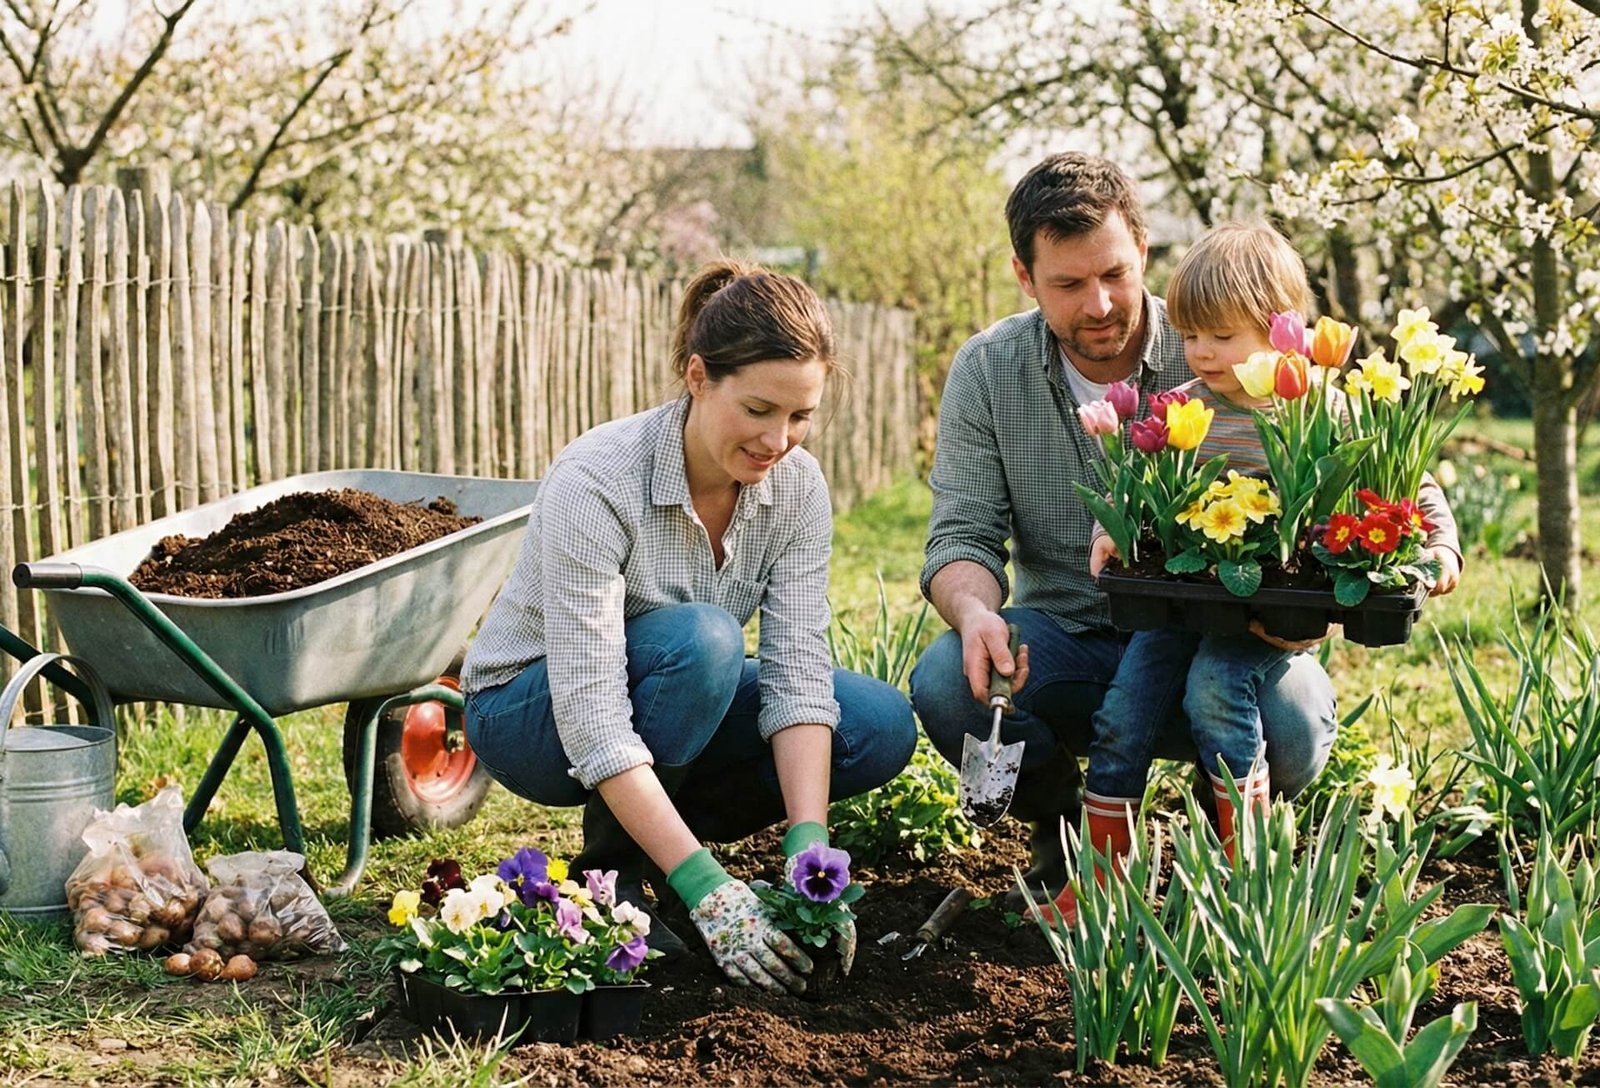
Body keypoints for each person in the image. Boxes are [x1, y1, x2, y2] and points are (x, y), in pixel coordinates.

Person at [908, 154, 1463, 913]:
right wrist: (975, 614)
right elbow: (962, 534)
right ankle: (1071, 841)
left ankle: (1230, 851)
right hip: (1072, 633)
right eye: (1068, 285)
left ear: (1143, 248)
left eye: (1114, 273)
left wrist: (1306, 610)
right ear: (1024, 276)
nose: (1099, 304)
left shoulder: (1228, 335)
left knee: (1289, 724)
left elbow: (1378, 473)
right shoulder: (988, 370)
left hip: (1232, 634)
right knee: (947, 681)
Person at [461, 259, 917, 995]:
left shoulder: (797, 488)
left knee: (877, 723)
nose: (779, 440)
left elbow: (798, 671)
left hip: (671, 693)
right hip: (531, 710)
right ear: (699, 377)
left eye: (801, 416)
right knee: (704, 642)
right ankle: (621, 876)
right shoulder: (599, 478)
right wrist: (710, 884)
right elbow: (592, 713)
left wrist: (810, 851)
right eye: (760, 410)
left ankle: (664, 847)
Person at [1038, 222, 1462, 925]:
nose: (1201, 352)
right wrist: (1108, 533)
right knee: (1121, 715)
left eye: (1223, 337)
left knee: (1215, 689)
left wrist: (1440, 548)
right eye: (1193, 335)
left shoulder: (1320, 408)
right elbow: (1135, 487)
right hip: (1187, 599)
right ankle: (1102, 880)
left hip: (1268, 609)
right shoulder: (1187, 409)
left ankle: (1248, 878)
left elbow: (1409, 482)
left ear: (1279, 332)